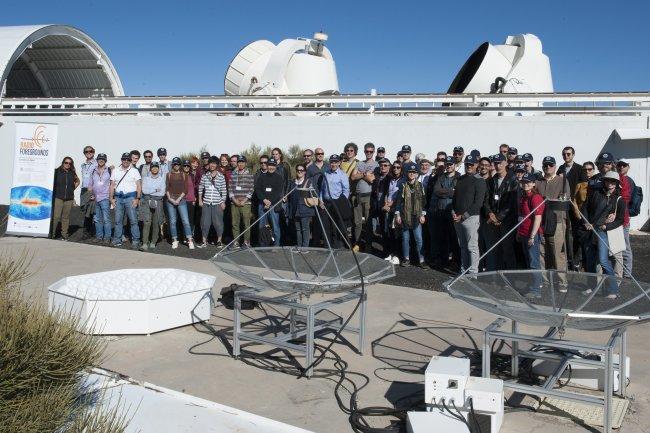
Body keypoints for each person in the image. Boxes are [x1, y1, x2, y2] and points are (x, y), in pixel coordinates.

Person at [583, 171, 626, 298]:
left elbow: (620, 220)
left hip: (604, 233)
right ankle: (592, 287)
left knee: (603, 261)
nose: (610, 184)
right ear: (604, 181)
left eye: (613, 182)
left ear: (617, 184)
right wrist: (586, 222)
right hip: (591, 231)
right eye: (608, 181)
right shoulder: (596, 193)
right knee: (590, 261)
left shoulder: (619, 200)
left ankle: (613, 290)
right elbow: (585, 207)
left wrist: (606, 226)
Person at [536, 156, 570, 288]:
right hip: (541, 221)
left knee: (558, 253)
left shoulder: (562, 181)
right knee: (541, 252)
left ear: (555, 166)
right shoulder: (538, 182)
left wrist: (548, 201)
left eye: (550, 165)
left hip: (558, 221)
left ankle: (562, 281)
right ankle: (545, 280)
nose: (548, 167)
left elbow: (565, 200)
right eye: (545, 165)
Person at [452, 154, 486, 274]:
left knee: (472, 247)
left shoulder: (479, 181)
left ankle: (473, 273)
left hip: (471, 218)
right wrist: (453, 212)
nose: (469, 166)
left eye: (471, 164)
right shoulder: (460, 179)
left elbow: (478, 203)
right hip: (458, 218)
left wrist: (464, 215)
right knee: (462, 246)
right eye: (467, 164)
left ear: (476, 165)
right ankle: (464, 271)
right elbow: (455, 199)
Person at [483, 153, 519, 271]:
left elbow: (512, 203)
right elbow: (486, 199)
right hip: (493, 220)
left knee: (507, 249)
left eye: (500, 163)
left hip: (507, 221)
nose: (498, 166)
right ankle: (495, 275)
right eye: (496, 163)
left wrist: (499, 217)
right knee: (495, 249)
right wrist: (490, 214)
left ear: (506, 163)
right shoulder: (492, 180)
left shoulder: (513, 180)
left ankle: (510, 277)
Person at [556, 146, 588, 271]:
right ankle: (567, 259)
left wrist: (579, 205)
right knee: (565, 232)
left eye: (568, 154)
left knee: (575, 233)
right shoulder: (560, 168)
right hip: (563, 205)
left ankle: (575, 259)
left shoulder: (580, 169)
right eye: (564, 154)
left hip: (575, 206)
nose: (566, 156)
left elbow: (584, 190)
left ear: (573, 155)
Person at [517, 173, 545, 297]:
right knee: (528, 261)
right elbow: (521, 217)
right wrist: (519, 232)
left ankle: (536, 289)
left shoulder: (536, 197)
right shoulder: (523, 197)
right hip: (523, 232)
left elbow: (538, 218)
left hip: (531, 234)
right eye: (523, 182)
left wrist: (532, 236)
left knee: (534, 262)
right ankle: (532, 285)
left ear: (534, 183)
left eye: (528, 182)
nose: (525, 184)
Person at [430, 156, 460, 269]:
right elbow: (436, 191)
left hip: (452, 211)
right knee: (442, 237)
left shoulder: (459, 177)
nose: (449, 166)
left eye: (451, 164)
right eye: (447, 164)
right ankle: (443, 260)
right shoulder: (441, 177)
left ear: (454, 165)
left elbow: (457, 193)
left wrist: (449, 192)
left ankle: (455, 261)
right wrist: (450, 192)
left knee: (454, 237)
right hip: (441, 210)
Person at [395, 162, 427, 267]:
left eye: (414, 172)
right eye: (410, 172)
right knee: (405, 238)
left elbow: (424, 201)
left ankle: (422, 260)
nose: (412, 174)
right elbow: (399, 201)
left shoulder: (421, 185)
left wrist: (423, 215)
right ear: (407, 173)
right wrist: (398, 215)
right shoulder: (403, 185)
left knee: (419, 239)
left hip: (417, 216)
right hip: (405, 216)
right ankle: (406, 259)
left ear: (417, 174)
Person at [110, 152, 142, 248]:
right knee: (118, 220)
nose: (126, 161)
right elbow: (112, 185)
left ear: (130, 160)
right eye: (124, 159)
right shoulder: (115, 170)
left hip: (131, 198)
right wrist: (111, 198)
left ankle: (136, 240)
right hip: (118, 198)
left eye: (128, 159)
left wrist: (137, 198)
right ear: (121, 160)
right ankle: (117, 239)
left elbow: (139, 186)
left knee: (133, 220)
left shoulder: (134, 171)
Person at [319, 154, 351, 249]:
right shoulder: (326, 173)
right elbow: (322, 189)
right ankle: (327, 247)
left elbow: (346, 190)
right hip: (325, 204)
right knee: (326, 226)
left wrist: (341, 203)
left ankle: (336, 247)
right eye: (332, 162)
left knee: (335, 226)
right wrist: (321, 200)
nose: (333, 164)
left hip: (337, 204)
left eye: (335, 162)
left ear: (339, 163)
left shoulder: (343, 175)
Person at [350, 142, 377, 251]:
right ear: (364, 151)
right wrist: (365, 174)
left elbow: (372, 179)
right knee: (357, 223)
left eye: (371, 151)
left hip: (369, 196)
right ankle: (357, 244)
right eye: (367, 151)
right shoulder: (359, 163)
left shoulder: (377, 165)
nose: (369, 153)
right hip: (358, 196)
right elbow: (352, 177)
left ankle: (368, 245)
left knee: (368, 222)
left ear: (373, 152)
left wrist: (360, 175)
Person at [198, 156, 227, 248]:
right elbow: (200, 188)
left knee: (218, 223)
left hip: (217, 203)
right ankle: (204, 241)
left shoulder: (221, 176)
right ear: (209, 164)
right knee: (204, 223)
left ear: (217, 165)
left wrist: (223, 202)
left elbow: (224, 190)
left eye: (214, 163)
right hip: (206, 202)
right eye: (211, 163)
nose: (212, 165)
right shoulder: (204, 176)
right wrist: (200, 200)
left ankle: (219, 241)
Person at [165, 157, 194, 249]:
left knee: (185, 221)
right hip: (170, 200)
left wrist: (178, 199)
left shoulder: (184, 175)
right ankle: (175, 240)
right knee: (173, 221)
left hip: (181, 200)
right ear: (172, 165)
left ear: (179, 165)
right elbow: (167, 188)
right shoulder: (168, 175)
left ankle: (189, 240)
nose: (176, 165)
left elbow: (185, 189)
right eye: (175, 164)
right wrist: (170, 199)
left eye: (178, 164)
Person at [254, 157, 284, 246]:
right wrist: (264, 200)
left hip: (274, 205)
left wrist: (269, 202)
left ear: (276, 166)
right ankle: (263, 245)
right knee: (262, 226)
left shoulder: (279, 178)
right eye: (270, 165)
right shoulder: (261, 177)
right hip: (262, 204)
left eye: (273, 165)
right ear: (267, 166)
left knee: (275, 226)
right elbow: (258, 190)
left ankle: (276, 245)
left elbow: (278, 192)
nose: (271, 167)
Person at [229, 155, 254, 248]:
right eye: (239, 162)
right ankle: (236, 242)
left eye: (242, 162)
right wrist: (234, 200)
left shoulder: (250, 174)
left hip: (246, 203)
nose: (240, 164)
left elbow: (251, 189)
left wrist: (244, 200)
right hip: (234, 203)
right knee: (235, 223)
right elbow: (230, 188)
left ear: (245, 163)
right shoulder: (233, 174)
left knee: (246, 224)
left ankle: (246, 242)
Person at [51, 156, 80, 240]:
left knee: (65, 218)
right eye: (66, 163)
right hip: (58, 197)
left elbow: (78, 181)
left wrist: (72, 189)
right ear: (63, 163)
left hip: (69, 198)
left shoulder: (72, 172)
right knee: (56, 217)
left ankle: (64, 234)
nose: (68, 164)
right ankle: (52, 234)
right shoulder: (56, 172)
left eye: (70, 163)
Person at [288, 163, 316, 248]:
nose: (299, 172)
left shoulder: (309, 182)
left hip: (305, 208)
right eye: (298, 170)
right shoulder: (293, 182)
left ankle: (305, 246)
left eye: (301, 170)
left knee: (305, 228)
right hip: (295, 208)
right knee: (298, 229)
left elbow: (313, 194)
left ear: (305, 172)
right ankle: (299, 245)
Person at [139, 161, 166, 250]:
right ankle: (145, 243)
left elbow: (162, 192)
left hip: (158, 202)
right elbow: (144, 191)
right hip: (147, 202)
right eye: (153, 167)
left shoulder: (162, 179)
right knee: (147, 223)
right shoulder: (146, 178)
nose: (155, 168)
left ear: (158, 168)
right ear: (150, 168)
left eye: (156, 167)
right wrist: (155, 189)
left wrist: (151, 190)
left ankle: (153, 242)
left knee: (156, 223)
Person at [381, 161, 403, 264]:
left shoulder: (403, 180)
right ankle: (391, 253)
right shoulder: (390, 179)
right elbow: (386, 193)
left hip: (396, 208)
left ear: (401, 169)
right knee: (389, 231)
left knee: (396, 233)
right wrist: (385, 203)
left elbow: (400, 195)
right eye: (394, 167)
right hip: (388, 208)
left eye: (398, 167)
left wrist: (391, 205)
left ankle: (397, 255)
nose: (396, 169)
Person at [88, 153, 111, 244]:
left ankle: (107, 237)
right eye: (99, 159)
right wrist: (90, 194)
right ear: (97, 160)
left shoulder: (109, 170)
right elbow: (90, 184)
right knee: (97, 219)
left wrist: (111, 197)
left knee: (106, 219)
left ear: (105, 160)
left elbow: (113, 183)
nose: (101, 160)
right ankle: (99, 236)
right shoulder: (93, 170)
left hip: (105, 197)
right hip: (95, 198)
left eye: (103, 159)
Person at [616, 160, 634, 277]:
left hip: (623, 219)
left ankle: (627, 274)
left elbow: (626, 199)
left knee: (625, 248)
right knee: (618, 248)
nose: (621, 167)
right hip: (617, 220)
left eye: (624, 165)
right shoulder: (616, 177)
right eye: (619, 165)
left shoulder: (627, 180)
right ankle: (621, 272)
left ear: (628, 167)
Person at [79, 146, 97, 239]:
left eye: (90, 151)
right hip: (84, 189)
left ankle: (88, 232)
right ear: (84, 153)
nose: (88, 153)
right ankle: (88, 231)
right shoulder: (83, 165)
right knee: (84, 210)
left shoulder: (96, 164)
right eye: (86, 151)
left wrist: (94, 192)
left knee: (90, 212)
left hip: (91, 189)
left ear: (94, 152)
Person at [182, 160, 197, 239]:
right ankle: (184, 236)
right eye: (185, 166)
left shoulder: (192, 176)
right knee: (183, 219)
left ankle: (190, 236)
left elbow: (194, 188)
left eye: (188, 166)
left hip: (191, 200)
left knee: (190, 219)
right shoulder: (180, 175)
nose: (186, 167)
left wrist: (195, 199)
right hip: (182, 200)